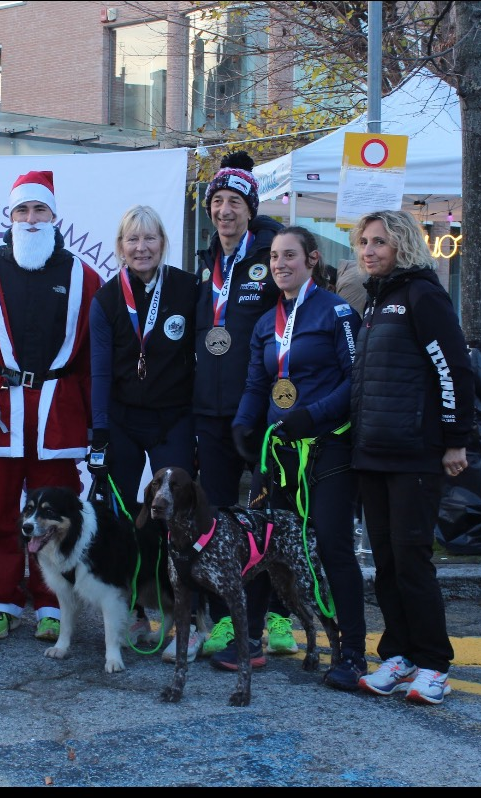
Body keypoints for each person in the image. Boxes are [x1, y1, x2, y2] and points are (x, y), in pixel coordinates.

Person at [0, 170, 102, 642]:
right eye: (22, 210)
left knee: (57, 515)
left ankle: (52, 605)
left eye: (40, 210)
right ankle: (0, 603)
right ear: (9, 215)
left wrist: (98, 424)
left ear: (56, 216)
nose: (31, 219)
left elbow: (95, 357)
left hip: (58, 414)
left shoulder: (84, 276)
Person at [231, 226, 367, 690]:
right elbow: (256, 384)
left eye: (290, 256)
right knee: (260, 543)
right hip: (279, 453)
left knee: (331, 545)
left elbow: (356, 382)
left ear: (312, 260)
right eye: (273, 257)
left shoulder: (339, 312)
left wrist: (314, 416)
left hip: (328, 448)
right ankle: (249, 640)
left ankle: (351, 652)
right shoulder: (266, 321)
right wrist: (243, 425)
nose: (280, 264)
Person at [350, 209, 475, 705]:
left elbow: (454, 370)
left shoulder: (424, 295)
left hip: (415, 455)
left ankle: (433, 664)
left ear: (402, 244)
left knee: (412, 561)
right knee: (385, 563)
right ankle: (398, 655)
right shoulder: (374, 302)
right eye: (364, 242)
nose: (369, 250)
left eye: (379, 242)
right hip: (372, 455)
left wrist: (455, 439)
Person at [190, 150, 290, 667]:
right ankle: (230, 619)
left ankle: (268, 614)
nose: (225, 211)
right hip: (211, 412)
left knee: (266, 517)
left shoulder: (271, 255)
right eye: (218, 202)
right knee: (222, 518)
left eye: (234, 202)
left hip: (261, 411)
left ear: (251, 210)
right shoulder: (206, 260)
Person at [88, 205, 198, 643]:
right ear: (120, 247)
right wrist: (98, 432)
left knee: (176, 517)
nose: (141, 247)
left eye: (149, 238)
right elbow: (98, 370)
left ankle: (182, 611)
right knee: (121, 520)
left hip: (173, 418)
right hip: (122, 421)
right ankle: (133, 610)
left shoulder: (189, 289)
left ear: (163, 242)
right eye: (132, 239)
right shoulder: (107, 298)